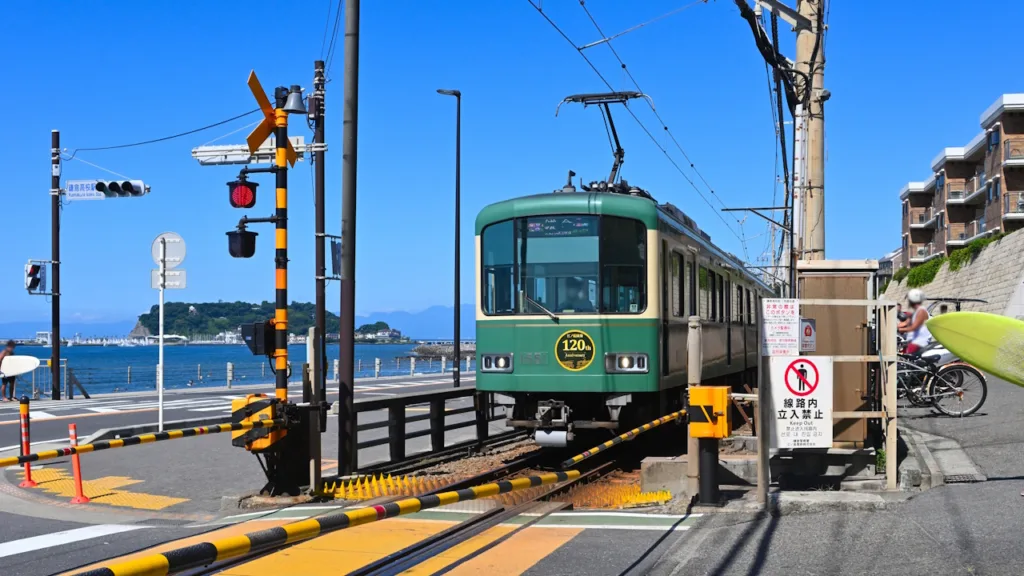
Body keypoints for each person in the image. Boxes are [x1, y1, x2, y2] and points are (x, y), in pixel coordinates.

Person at [897, 289, 931, 354]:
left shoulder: (921, 311)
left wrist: (900, 330)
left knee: (906, 357)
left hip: (919, 342)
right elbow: (906, 322)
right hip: (914, 341)